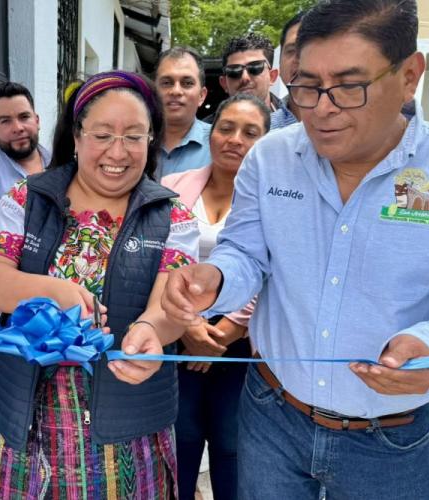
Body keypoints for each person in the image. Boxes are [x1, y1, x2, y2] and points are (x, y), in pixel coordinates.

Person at [163, 0, 429, 498]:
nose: (322, 108)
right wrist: (213, 280)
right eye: (306, 87)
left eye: (350, 86)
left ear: (410, 75)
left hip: (389, 440)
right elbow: (246, 254)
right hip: (271, 417)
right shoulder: (271, 158)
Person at [0, 71, 200, 498]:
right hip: (30, 422)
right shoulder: (28, 198)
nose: (118, 152)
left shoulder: (173, 215)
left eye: (135, 136)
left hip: (127, 426)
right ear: (76, 137)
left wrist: (151, 331)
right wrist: (53, 290)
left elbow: (168, 304)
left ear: (150, 140)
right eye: (102, 134)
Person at [161, 94, 270, 500]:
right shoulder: (172, 187)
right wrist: (189, 326)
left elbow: (271, 265)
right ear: (211, 132)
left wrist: (226, 331)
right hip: (179, 336)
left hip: (241, 343)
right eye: (226, 128)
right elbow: (161, 257)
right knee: (181, 438)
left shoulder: (275, 199)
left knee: (231, 445)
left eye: (250, 132)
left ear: (265, 141)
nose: (235, 139)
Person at [0, 81, 52, 201]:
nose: (17, 128)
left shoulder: (59, 162)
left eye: (24, 117)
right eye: (5, 121)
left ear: (37, 121)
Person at [153, 46, 211, 180]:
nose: (176, 91)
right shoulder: (135, 139)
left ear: (202, 96)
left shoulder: (219, 145)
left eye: (187, 83)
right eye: (167, 82)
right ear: (154, 90)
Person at [219, 33, 280, 111]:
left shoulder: (297, 118)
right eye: (234, 70)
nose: (245, 77)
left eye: (255, 67)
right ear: (224, 83)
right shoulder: (211, 123)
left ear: (272, 76)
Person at [271, 12, 305, 129]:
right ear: (279, 63)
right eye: (292, 50)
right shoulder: (260, 133)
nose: (300, 58)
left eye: (311, 49)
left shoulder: (360, 128)